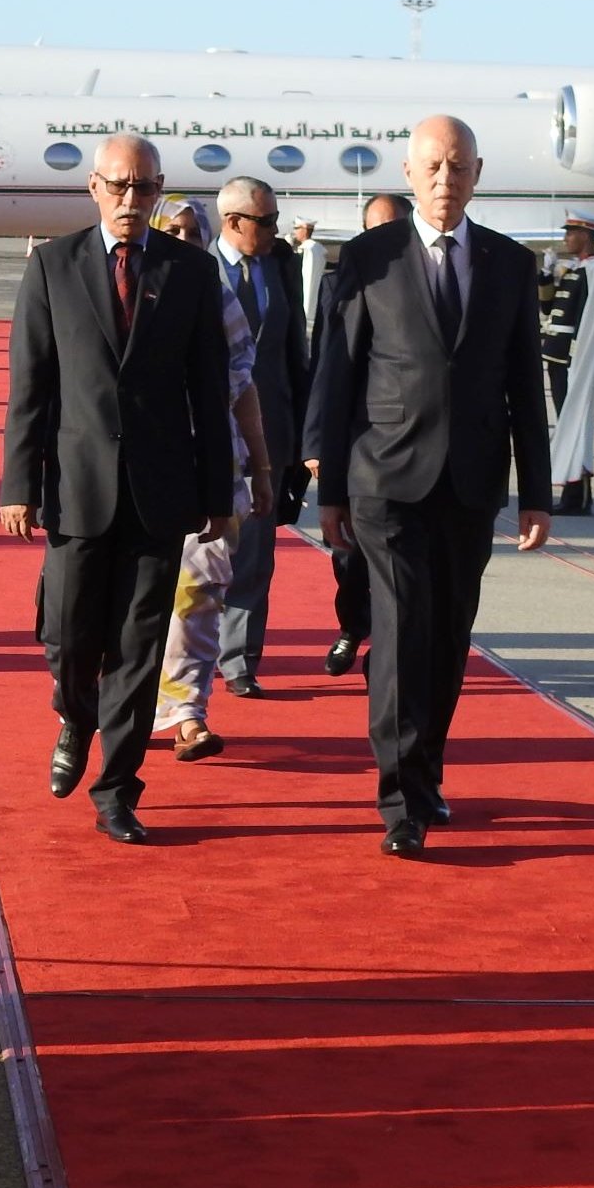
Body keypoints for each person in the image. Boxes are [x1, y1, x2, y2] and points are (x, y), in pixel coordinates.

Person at [311, 115, 552, 857]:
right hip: (385, 478)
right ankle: (399, 801)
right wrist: (326, 487)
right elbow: (338, 368)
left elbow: (522, 383)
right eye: (433, 167)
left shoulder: (510, 264)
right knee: (401, 629)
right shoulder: (368, 257)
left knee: (448, 637)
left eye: (459, 167)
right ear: (410, 175)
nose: (446, 180)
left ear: (477, 174)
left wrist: (536, 492)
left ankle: (426, 768)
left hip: (471, 483)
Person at [0, 133, 234, 846]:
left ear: (160, 189)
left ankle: (117, 789)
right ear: (94, 189)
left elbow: (210, 389)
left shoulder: (192, 271)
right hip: (76, 488)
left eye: (145, 187)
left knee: (138, 650)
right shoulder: (53, 266)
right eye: (120, 186)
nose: (133, 200)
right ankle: (75, 713)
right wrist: (19, 484)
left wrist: (219, 493)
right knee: (70, 638)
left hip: (161, 493)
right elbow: (30, 386)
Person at [151, 198, 274, 760]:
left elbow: (244, 387)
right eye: (172, 230)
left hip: (215, 466)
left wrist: (262, 467)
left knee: (199, 592)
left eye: (191, 232)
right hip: (143, 465)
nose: (183, 240)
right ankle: (119, 703)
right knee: (134, 596)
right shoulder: (127, 290)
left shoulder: (220, 299)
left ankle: (188, 713)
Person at [303, 193, 409, 677]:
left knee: (400, 561)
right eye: (374, 230)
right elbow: (325, 367)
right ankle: (351, 629)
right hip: (351, 444)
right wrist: (316, 444)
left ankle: (385, 651)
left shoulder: (427, 284)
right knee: (348, 557)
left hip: (406, 448)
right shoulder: (337, 286)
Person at [212, 175, 308, 698]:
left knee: (255, 554)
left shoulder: (281, 266)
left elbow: (296, 352)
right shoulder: (196, 269)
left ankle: (240, 660)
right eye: (266, 222)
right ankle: (185, 654)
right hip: (211, 433)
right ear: (234, 223)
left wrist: (305, 438)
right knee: (199, 551)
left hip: (271, 435)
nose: (275, 230)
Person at [540, 210, 594, 514]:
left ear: (585, 236)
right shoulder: (577, 270)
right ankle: (573, 494)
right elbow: (548, 306)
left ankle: (578, 496)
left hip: (573, 358)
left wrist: (579, 353)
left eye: (570, 233)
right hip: (558, 356)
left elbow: (592, 318)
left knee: (575, 424)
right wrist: (546, 275)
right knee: (566, 422)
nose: (566, 238)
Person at [291, 215, 326, 346]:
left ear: (304, 230)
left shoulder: (307, 250)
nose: (294, 232)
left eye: (296, 228)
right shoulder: (317, 249)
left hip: (306, 303)